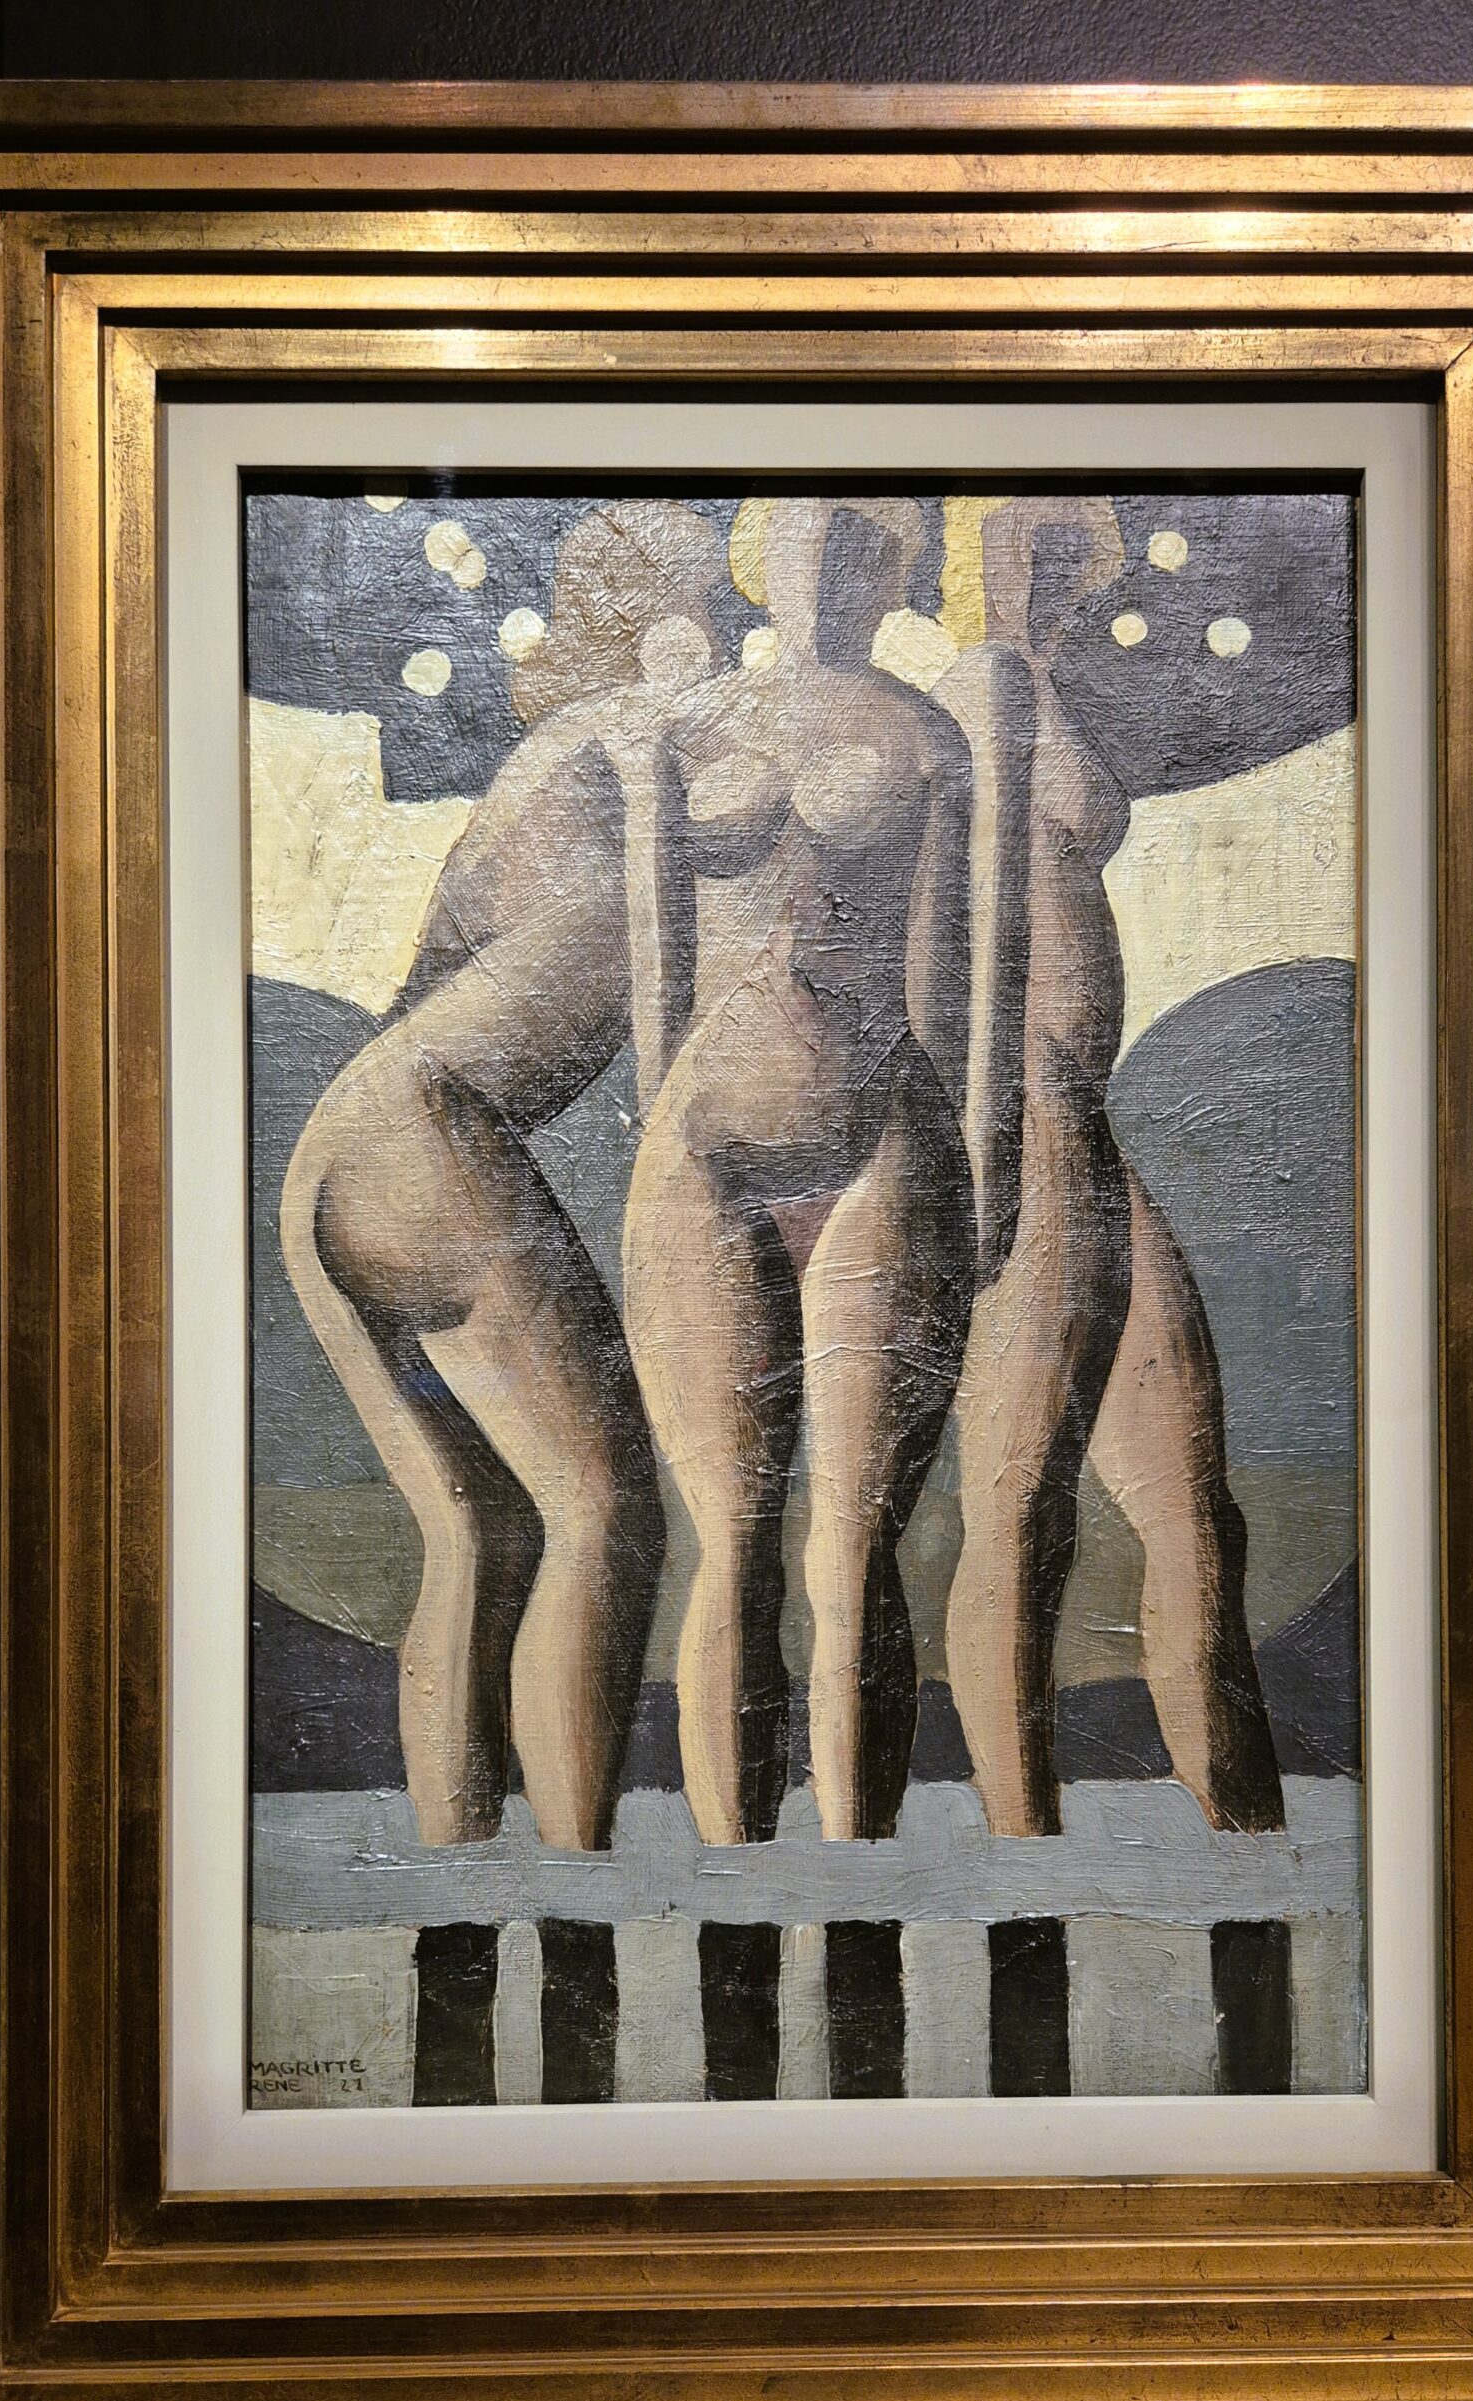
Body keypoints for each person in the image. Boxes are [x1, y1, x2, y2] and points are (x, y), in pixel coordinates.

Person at [279, 501, 725, 1851]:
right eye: (709, 603)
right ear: (657, 627)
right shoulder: (636, 741)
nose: (727, 634)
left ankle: (457, 1885)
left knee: (480, 1532)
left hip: (344, 1151)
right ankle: (577, 1879)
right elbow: (667, 1017)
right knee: (607, 1511)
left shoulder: (549, 759)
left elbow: (435, 984)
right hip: (426, 1134)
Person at [621, 497, 998, 1845]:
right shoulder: (683, 732)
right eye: (802, 527)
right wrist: (657, 1144)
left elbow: (953, 982)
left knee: (851, 1545)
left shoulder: (927, 735)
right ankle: (733, 1888)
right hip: (703, 1148)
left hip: (881, 1134)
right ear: (756, 556)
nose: (828, 550)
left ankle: (857, 1887)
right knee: (732, 1545)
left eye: (860, 531)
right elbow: (659, 973)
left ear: (895, 566)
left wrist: (980, 1164)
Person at [935, 496, 1285, 1836]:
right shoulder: (977, 687)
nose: (1052, 560)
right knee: (1023, 1504)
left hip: (1078, 1116)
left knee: (1195, 1508)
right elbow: (963, 924)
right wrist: (983, 1145)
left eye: (1065, 540)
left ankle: (1240, 1826)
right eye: (1020, 536)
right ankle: (1023, 1847)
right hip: (1016, 1110)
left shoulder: (1036, 685)